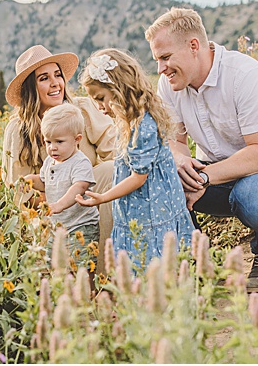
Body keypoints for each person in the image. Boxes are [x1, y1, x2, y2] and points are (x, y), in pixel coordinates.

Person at [145, 7, 258, 292]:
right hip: (215, 174)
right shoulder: (169, 83)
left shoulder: (245, 75)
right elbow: (175, 140)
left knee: (252, 197)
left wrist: (204, 178)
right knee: (161, 181)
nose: (161, 68)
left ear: (193, 46)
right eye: (157, 60)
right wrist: (182, 167)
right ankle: (197, 262)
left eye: (165, 58)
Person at [74, 49, 195, 270]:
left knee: (152, 260)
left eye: (101, 98)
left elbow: (139, 178)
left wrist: (103, 197)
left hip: (151, 208)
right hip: (138, 208)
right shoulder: (129, 120)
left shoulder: (143, 125)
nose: (100, 107)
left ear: (120, 88)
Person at [1, 45, 118, 270]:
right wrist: (59, 204)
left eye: (58, 75)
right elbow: (19, 188)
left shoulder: (81, 109)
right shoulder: (18, 129)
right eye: (44, 78)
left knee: (112, 171)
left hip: (91, 196)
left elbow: (112, 148)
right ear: (30, 89)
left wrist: (81, 191)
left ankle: (105, 274)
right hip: (49, 208)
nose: (55, 83)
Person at [22, 103, 99, 269]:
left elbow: (79, 187)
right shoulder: (51, 161)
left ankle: (87, 293)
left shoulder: (80, 162)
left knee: (82, 267)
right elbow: (44, 182)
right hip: (56, 225)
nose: (52, 147)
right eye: (48, 142)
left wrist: (59, 205)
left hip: (81, 226)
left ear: (77, 140)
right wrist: (29, 181)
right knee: (52, 265)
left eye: (59, 141)